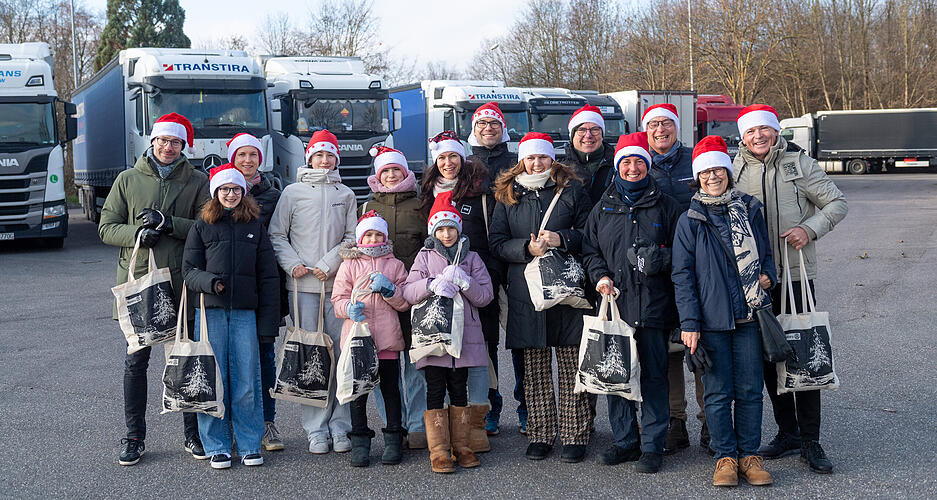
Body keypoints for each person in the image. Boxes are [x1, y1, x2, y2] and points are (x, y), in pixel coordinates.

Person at [733, 104, 847, 474]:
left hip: (796, 277)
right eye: (750, 133)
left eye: (763, 130)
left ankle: (811, 441)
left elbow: (836, 202)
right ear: (743, 137)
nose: (758, 137)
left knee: (803, 354)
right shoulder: (734, 168)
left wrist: (809, 229)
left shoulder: (799, 164)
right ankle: (788, 432)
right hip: (757, 279)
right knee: (769, 356)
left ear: (775, 131)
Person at [99, 112, 210, 466]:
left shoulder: (197, 180)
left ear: (183, 146)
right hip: (140, 285)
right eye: (163, 140)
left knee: (185, 357)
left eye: (175, 142)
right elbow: (106, 226)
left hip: (180, 284)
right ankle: (134, 437)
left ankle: (192, 434)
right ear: (152, 141)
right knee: (136, 363)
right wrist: (137, 234)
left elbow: (206, 226)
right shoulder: (128, 179)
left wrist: (169, 223)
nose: (168, 147)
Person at [672, 135, 778, 487]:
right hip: (711, 319)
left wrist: (768, 275)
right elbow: (682, 274)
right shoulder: (690, 217)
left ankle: (750, 455)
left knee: (749, 389)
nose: (712, 176)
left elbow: (765, 253)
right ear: (697, 176)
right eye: (705, 171)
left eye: (718, 169)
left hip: (750, 315)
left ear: (728, 172)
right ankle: (725, 458)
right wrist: (689, 322)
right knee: (717, 393)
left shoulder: (749, 208)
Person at [582, 132, 682, 473]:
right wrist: (600, 276)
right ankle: (625, 442)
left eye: (640, 161)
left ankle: (652, 446)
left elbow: (683, 253)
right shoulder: (602, 208)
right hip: (617, 306)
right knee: (616, 375)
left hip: (654, 307)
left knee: (654, 378)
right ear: (617, 166)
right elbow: (590, 250)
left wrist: (660, 259)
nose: (633, 167)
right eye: (626, 161)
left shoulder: (666, 205)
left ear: (648, 165)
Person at [489, 132, 592, 463]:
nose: (537, 163)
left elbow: (590, 233)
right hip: (526, 291)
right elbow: (497, 243)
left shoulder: (572, 190)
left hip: (565, 289)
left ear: (553, 159)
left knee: (570, 364)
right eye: (531, 158)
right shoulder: (507, 194)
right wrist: (525, 248)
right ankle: (541, 434)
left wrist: (562, 238)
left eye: (543, 157)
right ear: (522, 160)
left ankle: (575, 434)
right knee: (534, 368)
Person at [182, 165, 280, 469]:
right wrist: (210, 282)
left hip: (244, 314)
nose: (230, 194)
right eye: (224, 189)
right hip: (209, 314)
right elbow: (188, 272)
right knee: (213, 379)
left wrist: (269, 324)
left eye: (236, 189)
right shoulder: (201, 227)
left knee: (247, 380)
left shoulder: (255, 226)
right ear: (215, 193)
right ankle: (217, 445)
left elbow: (268, 277)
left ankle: (250, 443)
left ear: (243, 192)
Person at [268, 129, 358, 454]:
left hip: (337, 286)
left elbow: (352, 237)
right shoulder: (292, 193)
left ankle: (340, 425)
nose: (324, 161)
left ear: (336, 159)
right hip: (303, 287)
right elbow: (277, 234)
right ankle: (316, 429)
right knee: (311, 356)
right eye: (318, 155)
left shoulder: (345, 194)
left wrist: (329, 263)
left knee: (339, 354)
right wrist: (293, 264)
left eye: (329, 155)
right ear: (309, 158)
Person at [419, 131, 504, 451]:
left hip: (476, 276)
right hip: (437, 288)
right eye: (442, 157)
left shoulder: (480, 191)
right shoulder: (426, 191)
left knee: (481, 350)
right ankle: (445, 432)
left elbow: (493, 233)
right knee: (441, 356)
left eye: (453, 156)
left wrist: (486, 276)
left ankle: (484, 416)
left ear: (463, 157)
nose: (448, 163)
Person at [401, 191, 494, 473]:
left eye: (451, 228)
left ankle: (462, 445)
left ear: (458, 228)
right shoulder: (425, 257)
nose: (446, 234)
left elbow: (485, 296)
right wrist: (431, 284)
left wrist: (465, 282)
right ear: (433, 231)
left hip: (464, 338)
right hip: (434, 338)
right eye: (440, 229)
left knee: (459, 390)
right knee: (434, 389)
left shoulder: (473, 258)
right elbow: (408, 291)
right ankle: (439, 450)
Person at [641, 103, 704, 455]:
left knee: (700, 344)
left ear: (676, 128)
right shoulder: (637, 163)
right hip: (656, 272)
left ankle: (710, 422)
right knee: (668, 353)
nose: (660, 130)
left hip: (696, 266)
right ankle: (674, 423)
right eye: (653, 125)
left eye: (666, 123)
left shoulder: (693, 160)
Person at [359, 146, 429, 450]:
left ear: (405, 173)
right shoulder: (368, 206)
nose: (390, 175)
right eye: (384, 171)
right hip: (379, 296)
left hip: (411, 290)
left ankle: (416, 424)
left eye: (395, 170)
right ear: (377, 175)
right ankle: (393, 423)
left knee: (415, 362)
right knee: (383, 361)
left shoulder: (419, 204)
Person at [331, 211, 411, 467]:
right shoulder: (349, 265)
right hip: (358, 340)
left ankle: (394, 438)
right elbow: (338, 300)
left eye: (378, 234)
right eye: (369, 234)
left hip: (387, 339)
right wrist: (348, 309)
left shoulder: (395, 265)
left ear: (385, 237)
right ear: (360, 238)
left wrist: (389, 290)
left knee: (390, 390)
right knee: (358, 394)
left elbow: (404, 302)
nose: (374, 239)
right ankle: (360, 441)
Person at [226, 133, 286, 452]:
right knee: (233, 359)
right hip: (231, 289)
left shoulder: (274, 195)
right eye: (241, 155)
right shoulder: (220, 192)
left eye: (253, 155)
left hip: (265, 286)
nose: (247, 160)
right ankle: (235, 425)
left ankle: (266, 423)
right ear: (232, 158)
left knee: (264, 357)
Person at [562, 105, 615, 205]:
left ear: (602, 135)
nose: (588, 135)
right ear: (572, 136)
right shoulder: (560, 168)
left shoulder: (617, 166)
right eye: (581, 130)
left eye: (595, 129)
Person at [469, 101, 518, 182]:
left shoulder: (518, 164)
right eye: (482, 123)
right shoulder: (465, 165)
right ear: (474, 131)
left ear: (503, 130)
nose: (488, 128)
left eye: (494, 123)